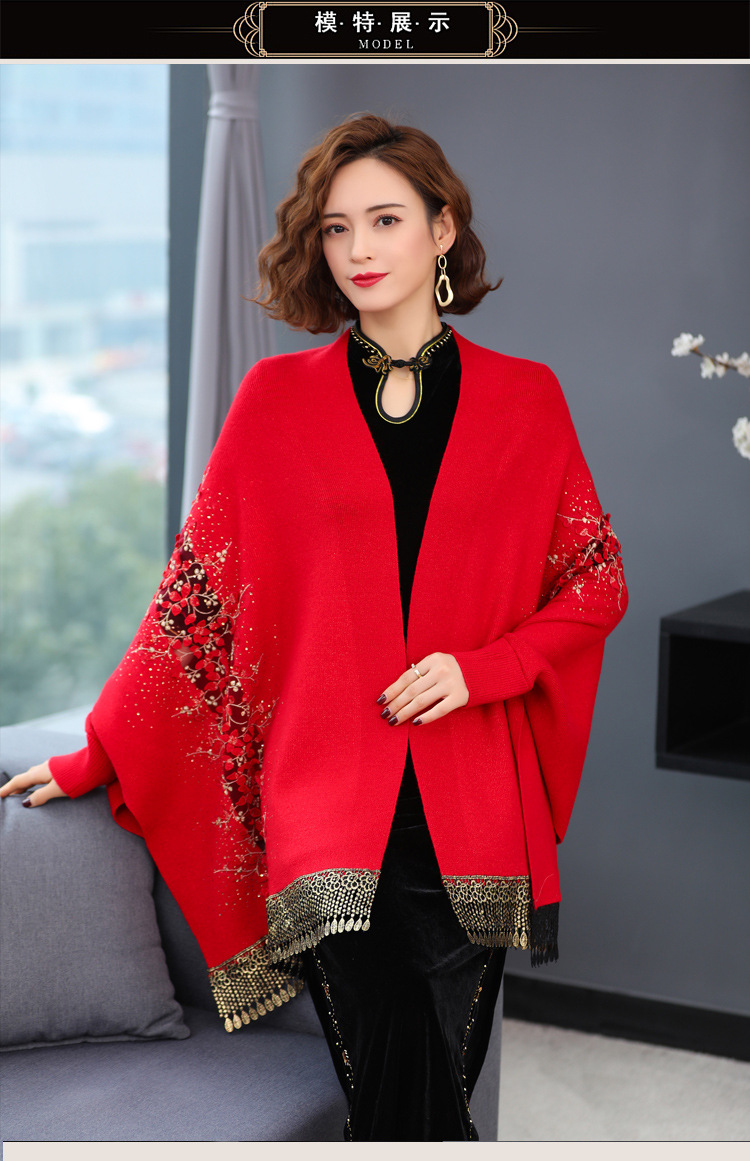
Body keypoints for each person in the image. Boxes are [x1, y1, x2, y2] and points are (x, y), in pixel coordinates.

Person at [0, 113, 629, 1141]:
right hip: (330, 801)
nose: (358, 249)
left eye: (385, 220)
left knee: (423, 1091)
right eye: (336, 229)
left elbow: (596, 582)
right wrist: (95, 755)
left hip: (476, 800)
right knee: (401, 1060)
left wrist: (485, 669)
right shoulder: (276, 401)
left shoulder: (527, 399)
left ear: (443, 227)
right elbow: (194, 603)